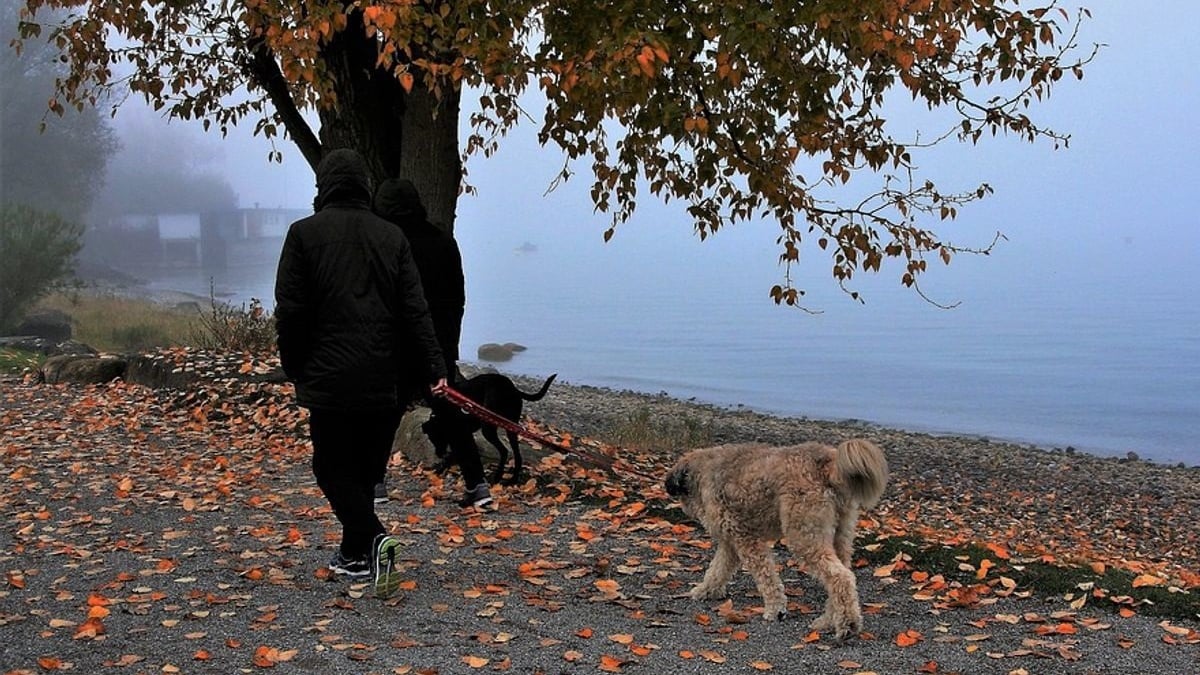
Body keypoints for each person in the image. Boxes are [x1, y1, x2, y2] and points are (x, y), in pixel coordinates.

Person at [274, 148, 448, 586]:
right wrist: (434, 366)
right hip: (382, 375)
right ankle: (355, 554)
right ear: (364, 186)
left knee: (331, 467)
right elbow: (416, 310)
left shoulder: (302, 234)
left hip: (329, 375)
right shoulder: (392, 237)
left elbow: (291, 310)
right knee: (366, 470)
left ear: (325, 186)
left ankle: (372, 539)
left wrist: (294, 365)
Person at [372, 178, 492, 508]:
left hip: (393, 345)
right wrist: (448, 349)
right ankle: (477, 483)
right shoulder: (442, 242)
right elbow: (456, 301)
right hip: (435, 345)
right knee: (449, 414)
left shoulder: (383, 242)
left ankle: (375, 484)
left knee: (386, 413)